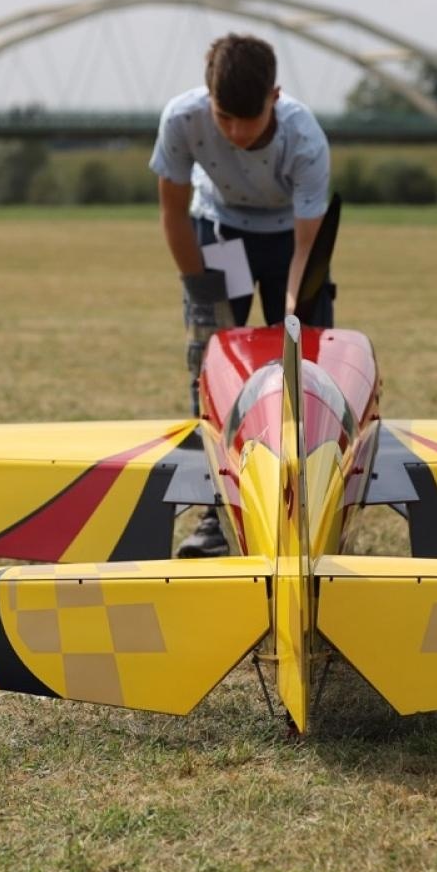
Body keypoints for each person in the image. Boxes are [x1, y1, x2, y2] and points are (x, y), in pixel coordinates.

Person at [151, 33, 334, 555]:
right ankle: (214, 516)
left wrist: (292, 323)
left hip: (289, 241)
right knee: (215, 372)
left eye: (246, 119)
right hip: (222, 233)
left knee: (304, 366)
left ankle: (308, 510)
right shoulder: (181, 120)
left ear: (274, 98)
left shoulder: (305, 140)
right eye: (222, 116)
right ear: (207, 96)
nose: (233, 132)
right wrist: (202, 296)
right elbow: (171, 213)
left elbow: (306, 248)